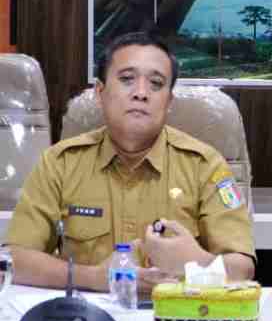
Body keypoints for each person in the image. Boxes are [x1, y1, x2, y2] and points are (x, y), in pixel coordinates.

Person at [5, 31, 255, 294]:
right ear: (100, 92)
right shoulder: (60, 163)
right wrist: (95, 277)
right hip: (86, 313)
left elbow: (242, 268)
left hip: (177, 314)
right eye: (127, 79)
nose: (141, 93)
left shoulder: (205, 166)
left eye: (156, 84)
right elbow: (13, 260)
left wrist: (197, 263)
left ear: (168, 102)